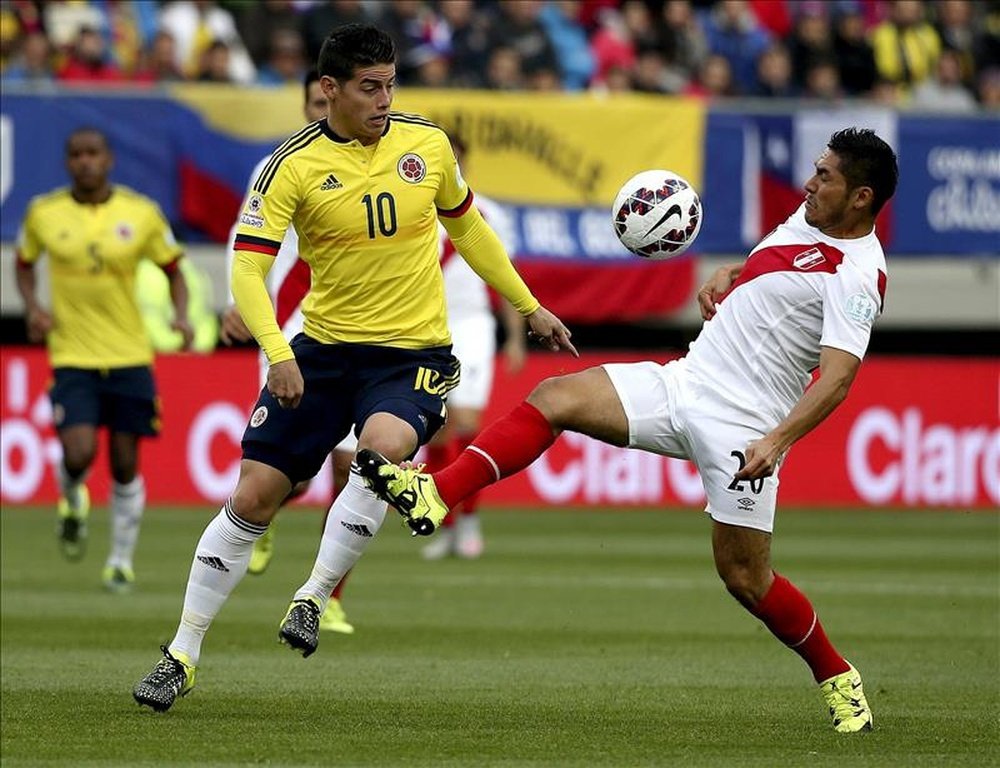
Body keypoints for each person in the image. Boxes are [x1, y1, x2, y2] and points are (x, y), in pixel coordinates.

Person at [359, 127, 898, 734]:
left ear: (861, 197)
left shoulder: (859, 275)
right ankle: (437, 493)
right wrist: (730, 275)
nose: (810, 182)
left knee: (746, 579)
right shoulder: (806, 220)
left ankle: (837, 677)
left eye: (826, 176)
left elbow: (837, 379)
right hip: (685, 382)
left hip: (745, 426)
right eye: (816, 169)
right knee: (553, 396)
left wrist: (775, 442)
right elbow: (780, 269)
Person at [132, 23, 574, 713]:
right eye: (370, 87)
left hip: (414, 354)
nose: (384, 99)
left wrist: (529, 306)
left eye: (391, 84)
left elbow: (470, 230)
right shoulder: (293, 165)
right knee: (252, 497)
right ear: (330, 89)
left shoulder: (425, 144)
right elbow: (247, 269)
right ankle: (183, 653)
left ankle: (312, 596)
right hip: (323, 349)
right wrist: (279, 352)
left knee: (379, 456)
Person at [15, 127, 193, 593]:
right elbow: (23, 261)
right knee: (79, 451)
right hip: (72, 355)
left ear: (109, 159)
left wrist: (181, 316)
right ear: (67, 162)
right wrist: (33, 306)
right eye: (76, 155)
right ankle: (72, 492)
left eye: (93, 154)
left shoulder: (141, 213)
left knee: (123, 463)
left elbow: (174, 270)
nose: (85, 162)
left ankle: (119, 560)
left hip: (131, 355)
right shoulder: (44, 213)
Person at [219, 68, 355, 635]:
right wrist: (236, 301)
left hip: (354, 331)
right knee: (291, 476)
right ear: (309, 103)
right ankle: (266, 514)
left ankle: (329, 593)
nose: (320, 111)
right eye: (312, 103)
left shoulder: (374, 160)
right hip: (287, 330)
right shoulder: (277, 165)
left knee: (355, 469)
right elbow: (244, 242)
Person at [421, 133, 526, 561]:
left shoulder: (488, 214)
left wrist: (515, 337)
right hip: (424, 325)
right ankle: (445, 522)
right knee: (437, 427)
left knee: (466, 421)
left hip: (472, 322)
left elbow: (506, 275)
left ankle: (469, 521)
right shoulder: (417, 209)